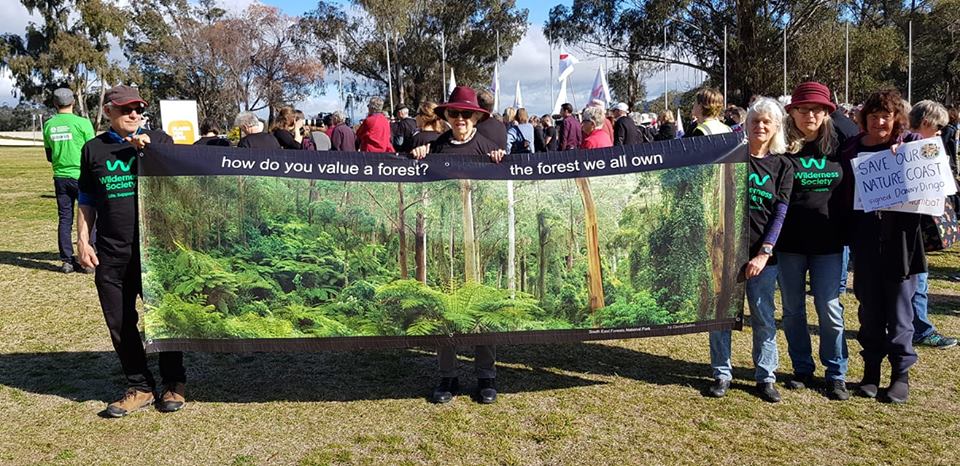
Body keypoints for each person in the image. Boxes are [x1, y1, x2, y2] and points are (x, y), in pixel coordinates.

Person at [76, 85, 187, 417]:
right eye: (126, 109)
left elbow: (186, 178)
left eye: (139, 109)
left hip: (157, 252)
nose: (134, 114)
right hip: (112, 253)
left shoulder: (160, 143)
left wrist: (148, 151)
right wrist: (82, 240)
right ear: (108, 111)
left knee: (165, 320)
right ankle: (139, 386)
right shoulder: (93, 149)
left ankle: (174, 384)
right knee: (120, 322)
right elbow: (86, 199)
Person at [410, 86, 505, 404]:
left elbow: (503, 189)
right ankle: (448, 377)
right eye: (455, 113)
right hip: (443, 238)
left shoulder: (489, 148)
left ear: (477, 115)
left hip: (479, 238)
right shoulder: (434, 147)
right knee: (445, 308)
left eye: (466, 113)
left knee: (480, 307)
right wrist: (418, 158)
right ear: (447, 116)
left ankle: (486, 377)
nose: (461, 118)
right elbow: (420, 185)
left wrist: (500, 162)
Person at [838, 88, 924, 403]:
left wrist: (907, 150)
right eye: (873, 116)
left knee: (901, 308)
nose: (879, 123)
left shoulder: (909, 145)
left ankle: (900, 375)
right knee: (870, 307)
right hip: (865, 238)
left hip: (902, 240)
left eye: (885, 116)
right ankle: (871, 372)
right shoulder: (851, 149)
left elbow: (933, 168)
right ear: (864, 119)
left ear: (895, 118)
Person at [708, 97, 793, 403]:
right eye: (755, 121)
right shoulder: (732, 156)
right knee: (721, 317)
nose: (760, 126)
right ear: (746, 125)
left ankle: (766, 376)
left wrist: (764, 252)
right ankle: (721, 373)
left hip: (762, 256)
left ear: (776, 127)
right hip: (726, 252)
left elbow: (780, 213)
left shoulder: (783, 165)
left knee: (763, 316)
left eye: (766, 122)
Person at [775, 82, 850, 400]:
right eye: (804, 109)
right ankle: (802, 368)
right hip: (789, 243)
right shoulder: (779, 147)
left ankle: (836, 373)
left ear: (827, 113)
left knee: (829, 308)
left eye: (818, 110)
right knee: (793, 310)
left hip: (829, 242)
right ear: (791, 112)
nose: (811, 115)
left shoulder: (841, 144)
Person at [905, 100, 958, 349]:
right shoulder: (914, 148)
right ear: (925, 123)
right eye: (937, 127)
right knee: (919, 279)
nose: (939, 133)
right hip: (913, 226)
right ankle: (920, 329)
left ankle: (912, 325)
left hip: (915, 223)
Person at [42, 87, 95, 273]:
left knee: (65, 218)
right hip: (82, 176)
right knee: (89, 217)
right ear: (73, 102)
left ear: (55, 104)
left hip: (60, 178)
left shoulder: (48, 125)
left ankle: (66, 260)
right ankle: (88, 257)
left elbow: (49, 155)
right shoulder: (83, 123)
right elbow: (92, 151)